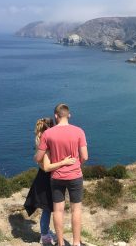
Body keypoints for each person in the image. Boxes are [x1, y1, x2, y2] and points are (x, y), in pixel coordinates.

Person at [35, 104, 89, 246]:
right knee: (76, 209)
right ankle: (76, 243)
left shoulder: (48, 134)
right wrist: (77, 164)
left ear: (56, 116)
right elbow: (85, 156)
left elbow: (38, 157)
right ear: (69, 115)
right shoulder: (79, 131)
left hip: (57, 177)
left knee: (58, 211)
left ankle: (60, 243)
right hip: (75, 176)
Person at [24, 118, 76, 245]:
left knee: (47, 209)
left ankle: (45, 232)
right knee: (47, 209)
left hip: (42, 177)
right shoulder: (47, 142)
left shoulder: (40, 140)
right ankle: (45, 236)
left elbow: (38, 159)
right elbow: (46, 166)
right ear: (51, 127)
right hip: (47, 179)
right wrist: (64, 162)